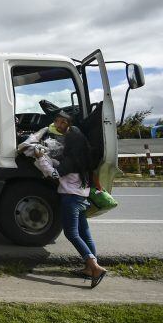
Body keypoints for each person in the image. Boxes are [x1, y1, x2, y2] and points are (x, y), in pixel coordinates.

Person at [51, 110, 107, 288]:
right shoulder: (84, 157)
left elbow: (54, 174)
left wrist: (42, 158)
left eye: (62, 123)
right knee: (85, 232)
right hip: (82, 197)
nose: (59, 126)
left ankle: (95, 267)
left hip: (71, 199)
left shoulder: (70, 160)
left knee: (71, 233)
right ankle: (89, 267)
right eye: (57, 122)